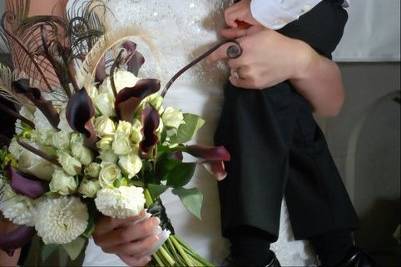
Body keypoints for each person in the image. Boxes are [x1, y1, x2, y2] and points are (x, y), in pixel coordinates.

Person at [209, 0, 375, 266]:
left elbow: (332, 103)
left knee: (251, 76)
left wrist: (264, 11)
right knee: (274, 93)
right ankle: (341, 252)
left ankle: (252, 254)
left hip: (308, 10)